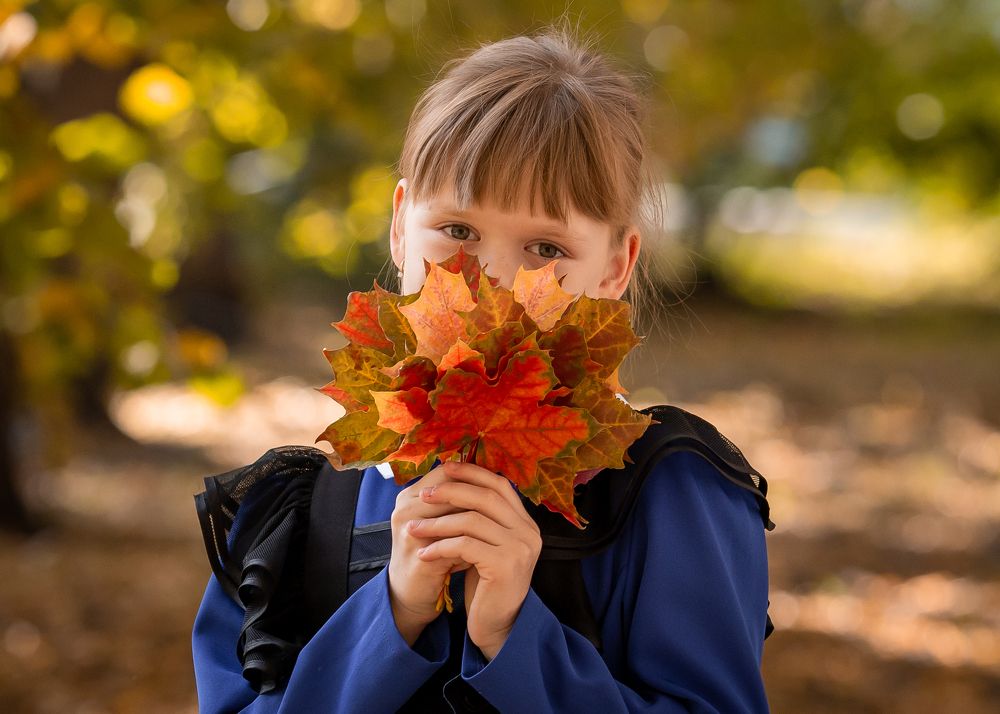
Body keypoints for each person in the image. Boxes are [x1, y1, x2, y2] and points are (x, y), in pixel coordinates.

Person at [191, 23, 772, 713]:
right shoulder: (295, 517)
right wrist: (393, 617)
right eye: (459, 231)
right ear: (401, 223)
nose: (492, 278)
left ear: (617, 265)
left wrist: (515, 638)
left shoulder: (673, 496)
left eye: (546, 248)